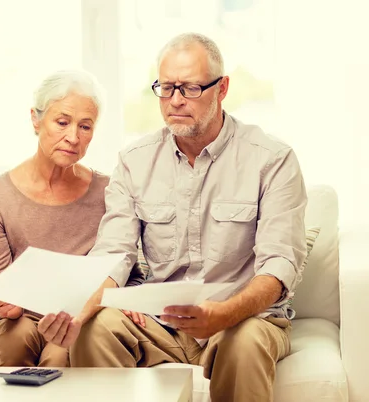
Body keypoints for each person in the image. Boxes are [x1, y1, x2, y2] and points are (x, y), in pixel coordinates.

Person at [68, 32, 309, 402]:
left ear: (222, 88)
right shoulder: (134, 160)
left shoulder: (272, 159)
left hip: (243, 319)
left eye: (191, 88)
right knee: (93, 329)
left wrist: (224, 314)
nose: (175, 101)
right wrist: (77, 314)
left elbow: (279, 266)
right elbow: (114, 254)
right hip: (162, 323)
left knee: (244, 344)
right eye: (166, 88)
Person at [0, 69, 143, 367]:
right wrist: (2, 306)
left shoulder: (109, 190)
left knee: (60, 351)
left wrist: (125, 301)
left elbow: (128, 270)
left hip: (80, 318)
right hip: (19, 321)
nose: (73, 137)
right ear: (36, 120)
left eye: (86, 127)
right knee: (17, 336)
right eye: (62, 122)